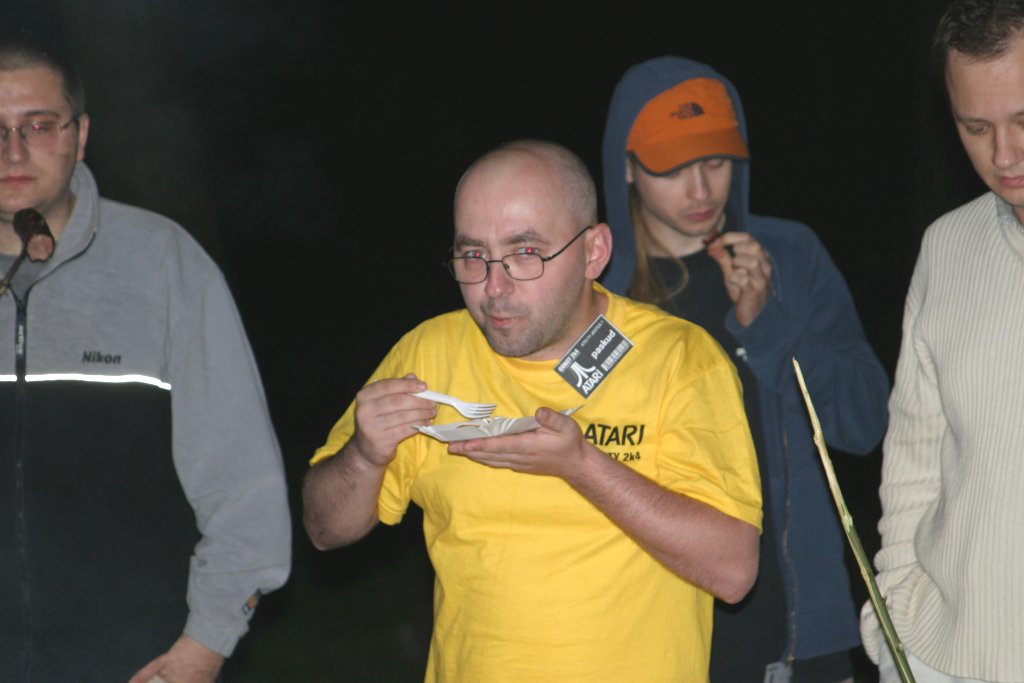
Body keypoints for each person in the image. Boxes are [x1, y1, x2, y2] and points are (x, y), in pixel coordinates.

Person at [303, 139, 763, 682]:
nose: (493, 288)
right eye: (473, 256)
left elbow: (733, 571)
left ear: (593, 252)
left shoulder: (679, 360)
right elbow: (323, 529)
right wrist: (364, 455)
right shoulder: (428, 355)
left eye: (525, 253)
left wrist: (581, 465)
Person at [0, 30, 290, 683]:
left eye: (38, 125)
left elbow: (244, 487)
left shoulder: (163, 265)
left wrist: (206, 643)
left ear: (79, 136)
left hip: (133, 663)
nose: (12, 151)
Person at [601, 57, 890, 682]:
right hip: (647, 636)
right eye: (673, 167)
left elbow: (865, 421)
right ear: (626, 167)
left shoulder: (791, 256)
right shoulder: (599, 292)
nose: (701, 190)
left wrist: (768, 322)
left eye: (715, 161)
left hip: (799, 639)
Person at [860, 2, 1024, 681]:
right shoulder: (947, 246)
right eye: (975, 127)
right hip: (944, 655)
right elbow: (912, 457)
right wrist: (895, 621)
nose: (1003, 155)